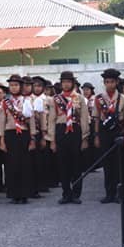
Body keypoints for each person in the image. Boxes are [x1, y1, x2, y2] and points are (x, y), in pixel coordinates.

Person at [93, 68, 124, 204]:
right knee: (107, 164)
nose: (109, 84)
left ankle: (119, 194)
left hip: (119, 132)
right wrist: (97, 136)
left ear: (117, 82)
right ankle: (108, 193)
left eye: (112, 82)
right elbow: (97, 119)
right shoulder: (99, 99)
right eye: (107, 82)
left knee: (119, 164)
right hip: (105, 133)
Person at [49, 71, 89, 204]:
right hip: (61, 130)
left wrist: (84, 138)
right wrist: (52, 140)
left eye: (68, 82)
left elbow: (84, 118)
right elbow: (51, 119)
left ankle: (76, 194)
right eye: (63, 82)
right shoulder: (55, 99)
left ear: (72, 83)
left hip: (75, 130)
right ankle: (66, 193)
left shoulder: (80, 98)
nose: (66, 84)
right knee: (63, 164)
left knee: (77, 164)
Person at [0, 75, 36, 204]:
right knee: (11, 164)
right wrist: (1, 140)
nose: (13, 88)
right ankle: (13, 193)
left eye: (16, 85)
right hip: (10, 134)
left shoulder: (26, 101)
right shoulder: (5, 102)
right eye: (11, 85)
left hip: (24, 134)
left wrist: (33, 138)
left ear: (21, 86)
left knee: (24, 164)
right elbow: (1, 121)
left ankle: (24, 194)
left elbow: (31, 120)